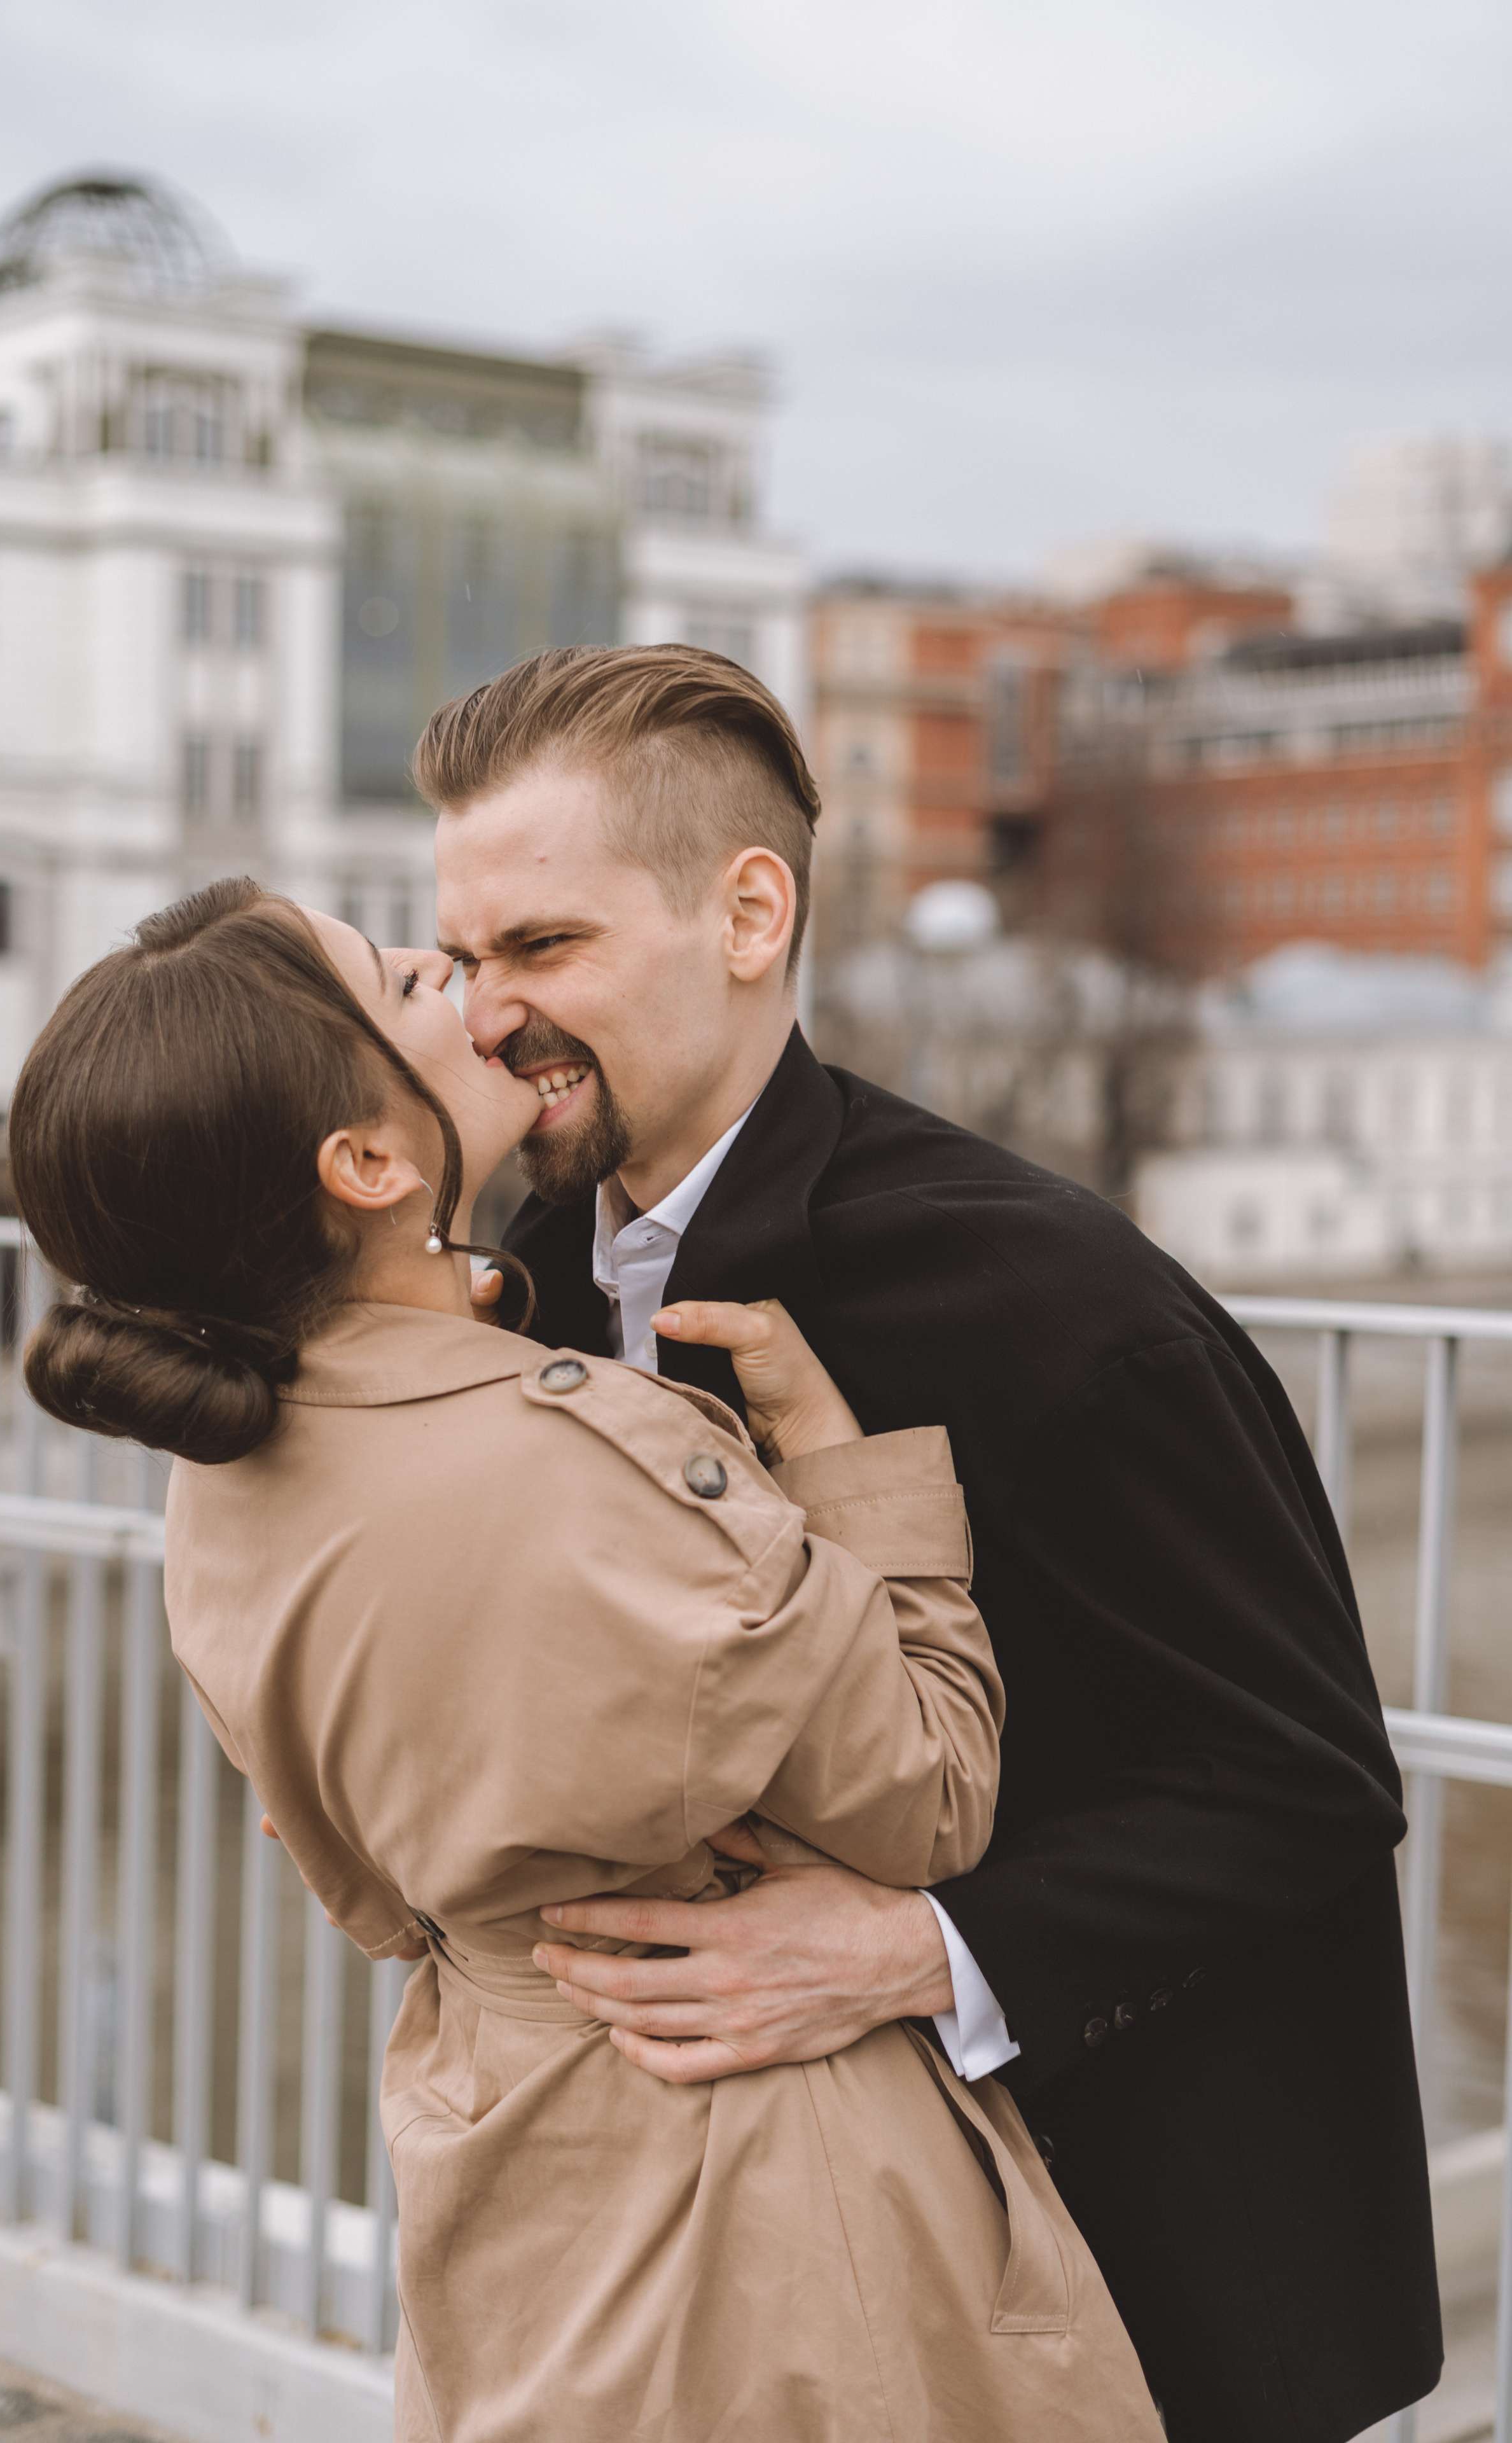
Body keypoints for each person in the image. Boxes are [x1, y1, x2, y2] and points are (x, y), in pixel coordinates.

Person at [422, 643, 1445, 2443]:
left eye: (544, 948)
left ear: (750, 916)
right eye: (464, 958)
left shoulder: (1058, 1300)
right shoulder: (529, 1279)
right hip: (730, 2285)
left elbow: (1301, 1777)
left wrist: (917, 1949)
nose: (487, 1014)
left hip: (1122, 2286)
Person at [7, 879, 1163, 2443]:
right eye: (416, 982)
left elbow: (357, 1890)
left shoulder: (216, 1475)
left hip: (500, 2156)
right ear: (365, 1160)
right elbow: (935, 1797)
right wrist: (837, 1460)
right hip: (752, 2206)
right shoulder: (585, 1470)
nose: (476, 996)